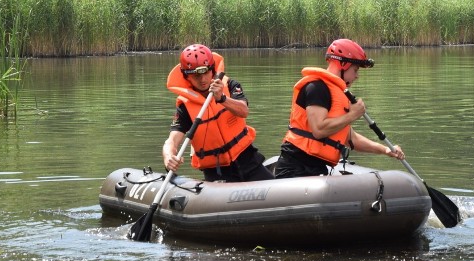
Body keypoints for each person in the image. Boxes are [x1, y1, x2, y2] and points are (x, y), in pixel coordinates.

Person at [274, 38, 405, 179]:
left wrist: (385, 150)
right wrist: (352, 115)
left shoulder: (337, 93)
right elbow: (319, 130)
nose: (357, 76)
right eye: (355, 70)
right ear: (343, 64)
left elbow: (351, 139)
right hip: (294, 168)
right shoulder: (316, 88)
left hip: (315, 168)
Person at [162, 44, 273, 182]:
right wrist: (168, 157)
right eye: (196, 76)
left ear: (212, 69)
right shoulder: (185, 107)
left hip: (248, 160)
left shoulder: (231, 86)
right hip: (218, 172)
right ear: (187, 77)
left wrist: (222, 99)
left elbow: (243, 111)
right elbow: (172, 140)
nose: (202, 80)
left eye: (205, 73)